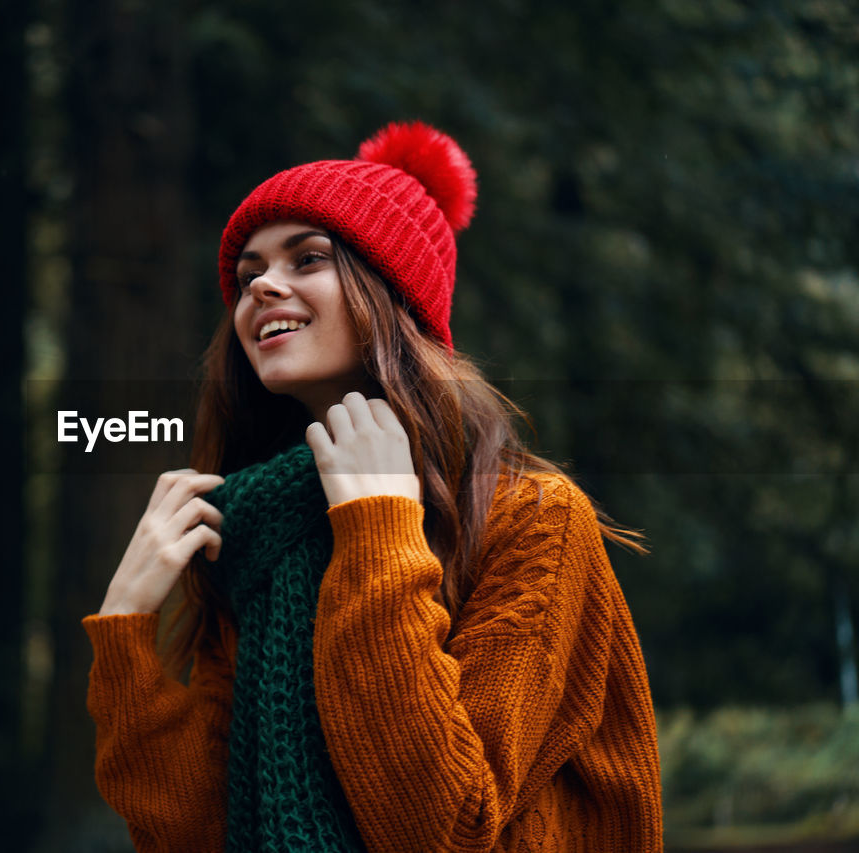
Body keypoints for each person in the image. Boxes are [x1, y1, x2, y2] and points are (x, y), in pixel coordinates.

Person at [82, 121, 664, 852]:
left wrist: (379, 531)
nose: (262, 283)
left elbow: (446, 827)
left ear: (391, 294)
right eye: (248, 273)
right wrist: (126, 629)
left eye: (309, 257)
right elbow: (197, 833)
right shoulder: (255, 534)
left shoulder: (535, 521)